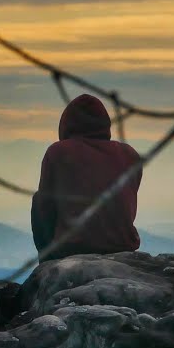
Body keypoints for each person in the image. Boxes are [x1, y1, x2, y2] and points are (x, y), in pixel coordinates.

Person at [31, 94, 141, 260]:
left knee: (39, 199)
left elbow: (45, 207)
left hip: (72, 249)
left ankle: (49, 263)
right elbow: (126, 205)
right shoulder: (129, 155)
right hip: (122, 247)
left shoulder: (59, 152)